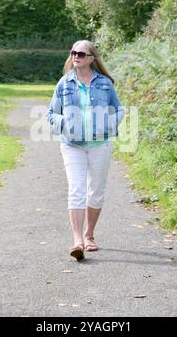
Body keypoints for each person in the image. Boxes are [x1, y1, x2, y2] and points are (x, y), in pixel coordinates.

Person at [46, 40, 125, 261]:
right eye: (73, 52)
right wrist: (66, 123)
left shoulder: (105, 84)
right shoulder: (64, 83)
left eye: (80, 53)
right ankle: (77, 241)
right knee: (76, 190)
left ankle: (90, 235)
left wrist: (108, 125)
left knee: (96, 192)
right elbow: (51, 114)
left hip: (101, 144)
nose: (75, 57)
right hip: (72, 146)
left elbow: (119, 110)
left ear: (91, 58)